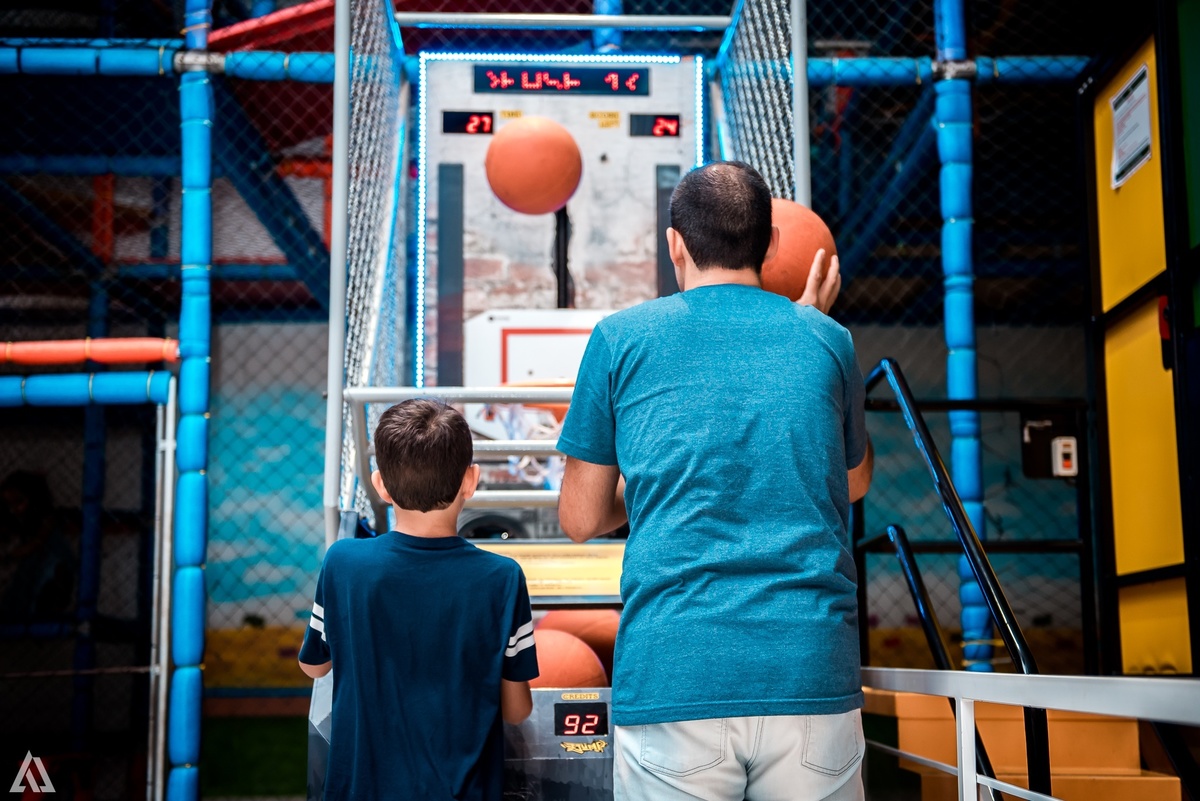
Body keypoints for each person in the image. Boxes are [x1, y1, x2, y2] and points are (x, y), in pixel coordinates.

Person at [556, 161, 874, 801]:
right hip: (809, 664)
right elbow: (854, 482)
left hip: (676, 670)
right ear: (772, 243)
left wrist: (659, 478)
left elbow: (581, 518)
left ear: (675, 243)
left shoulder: (620, 338)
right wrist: (806, 325)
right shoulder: (828, 340)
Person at [298, 399, 539, 800]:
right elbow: (517, 710)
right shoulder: (503, 578)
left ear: (380, 484)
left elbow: (313, 667)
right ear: (471, 480)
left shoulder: (343, 562)